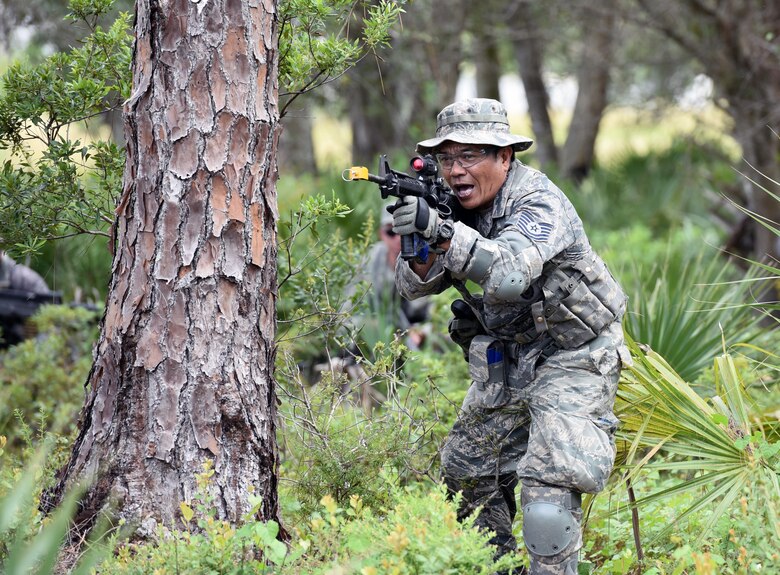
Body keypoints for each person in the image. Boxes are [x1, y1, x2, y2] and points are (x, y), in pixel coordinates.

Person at [390, 98, 630, 575]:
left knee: (547, 489)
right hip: (512, 357)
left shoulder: (537, 201)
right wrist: (418, 243)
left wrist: (440, 233)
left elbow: (509, 276)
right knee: (466, 473)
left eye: (471, 156)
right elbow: (414, 285)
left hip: (575, 354)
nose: (456, 170)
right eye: (447, 158)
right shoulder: (455, 204)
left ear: (505, 157)